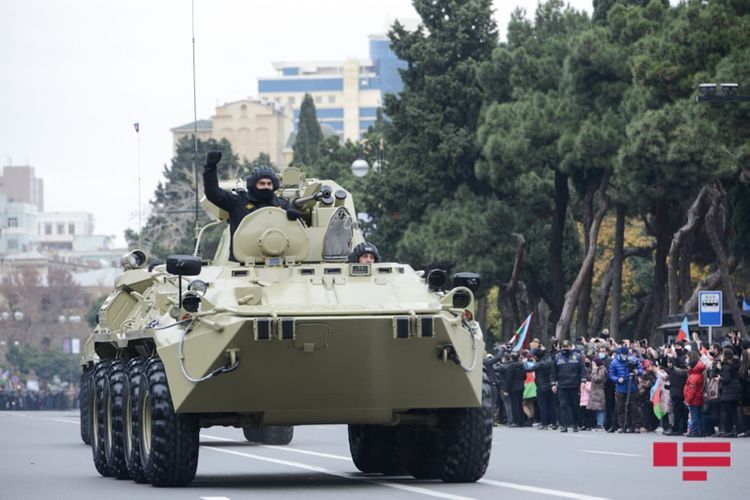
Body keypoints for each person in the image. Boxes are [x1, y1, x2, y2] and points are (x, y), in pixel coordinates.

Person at [202, 150, 300, 261]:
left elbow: (295, 234)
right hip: (242, 262)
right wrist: (210, 168)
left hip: (279, 261)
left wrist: (293, 217)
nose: (266, 187)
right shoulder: (238, 202)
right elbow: (213, 194)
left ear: (274, 186)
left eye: (269, 184)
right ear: (253, 185)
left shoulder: (282, 205)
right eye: (262, 183)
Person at [551, 339, 586, 433]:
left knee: (575, 406)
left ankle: (575, 425)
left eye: (567, 347)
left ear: (570, 347)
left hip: (574, 385)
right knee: (563, 405)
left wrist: (583, 381)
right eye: (563, 347)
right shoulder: (557, 357)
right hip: (562, 386)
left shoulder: (577, 356)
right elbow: (553, 371)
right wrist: (553, 383)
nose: (565, 349)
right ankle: (564, 425)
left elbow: (582, 370)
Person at [609, 346, 643, 433]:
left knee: (634, 407)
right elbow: (611, 374)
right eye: (623, 354)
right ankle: (622, 425)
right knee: (620, 408)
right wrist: (617, 379)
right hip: (620, 387)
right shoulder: (614, 362)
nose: (625, 356)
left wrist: (637, 371)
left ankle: (635, 426)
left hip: (632, 386)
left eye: (626, 354)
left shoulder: (633, 360)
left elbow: (640, 369)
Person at [717, 348, 741, 437]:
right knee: (733, 412)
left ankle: (728, 430)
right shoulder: (735, 364)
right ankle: (734, 430)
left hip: (728, 392)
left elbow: (726, 379)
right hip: (735, 391)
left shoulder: (726, 367)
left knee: (727, 412)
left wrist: (720, 378)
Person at [684, 351, 706, 437]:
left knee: (694, 416)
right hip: (698, 398)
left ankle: (696, 431)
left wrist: (687, 400)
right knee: (699, 415)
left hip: (693, 399)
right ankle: (700, 430)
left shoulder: (693, 376)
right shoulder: (699, 374)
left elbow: (691, 390)